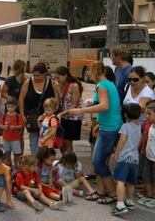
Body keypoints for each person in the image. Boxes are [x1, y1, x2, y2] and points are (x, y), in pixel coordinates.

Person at [62, 61, 121, 205]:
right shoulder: (107, 83)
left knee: (98, 162)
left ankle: (113, 193)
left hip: (109, 127)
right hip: (107, 126)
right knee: (100, 161)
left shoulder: (101, 85)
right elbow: (103, 102)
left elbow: (104, 106)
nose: (88, 74)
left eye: (89, 71)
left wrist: (79, 110)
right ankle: (101, 191)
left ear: (96, 72)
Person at [19, 62, 59, 155]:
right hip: (32, 118)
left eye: (38, 75)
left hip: (47, 118)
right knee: (34, 141)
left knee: (47, 141)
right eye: (34, 75)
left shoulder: (51, 83)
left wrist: (53, 114)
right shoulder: (28, 82)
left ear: (44, 74)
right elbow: (21, 99)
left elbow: (57, 100)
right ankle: (35, 162)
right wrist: (22, 114)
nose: (36, 77)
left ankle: (44, 161)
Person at [111, 103, 142, 215]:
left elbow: (122, 140)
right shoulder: (139, 128)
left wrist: (117, 152)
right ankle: (129, 201)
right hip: (135, 159)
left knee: (120, 181)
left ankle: (120, 205)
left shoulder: (125, 126)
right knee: (131, 182)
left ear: (125, 115)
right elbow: (139, 143)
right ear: (139, 115)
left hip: (124, 158)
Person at [54, 66, 83, 154]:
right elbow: (58, 102)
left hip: (73, 117)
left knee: (68, 141)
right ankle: (65, 160)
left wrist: (62, 113)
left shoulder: (74, 85)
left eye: (58, 77)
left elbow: (75, 104)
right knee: (61, 140)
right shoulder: (58, 85)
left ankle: (71, 162)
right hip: (63, 115)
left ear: (65, 75)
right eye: (55, 78)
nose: (57, 80)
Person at [1, 59, 27, 154]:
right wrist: (12, 99)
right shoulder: (10, 79)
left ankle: (20, 155)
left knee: (20, 134)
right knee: (8, 132)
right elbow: (3, 92)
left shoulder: (25, 79)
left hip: (21, 109)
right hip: (11, 109)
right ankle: (8, 157)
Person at [0, 98, 23, 168]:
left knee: (16, 153)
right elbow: (0, 124)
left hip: (15, 138)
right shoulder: (4, 116)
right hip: (6, 138)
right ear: (6, 106)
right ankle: (8, 165)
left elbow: (21, 125)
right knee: (7, 153)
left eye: (12, 107)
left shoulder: (18, 116)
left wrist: (14, 127)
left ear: (15, 107)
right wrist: (4, 127)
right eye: (8, 106)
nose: (10, 108)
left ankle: (16, 165)